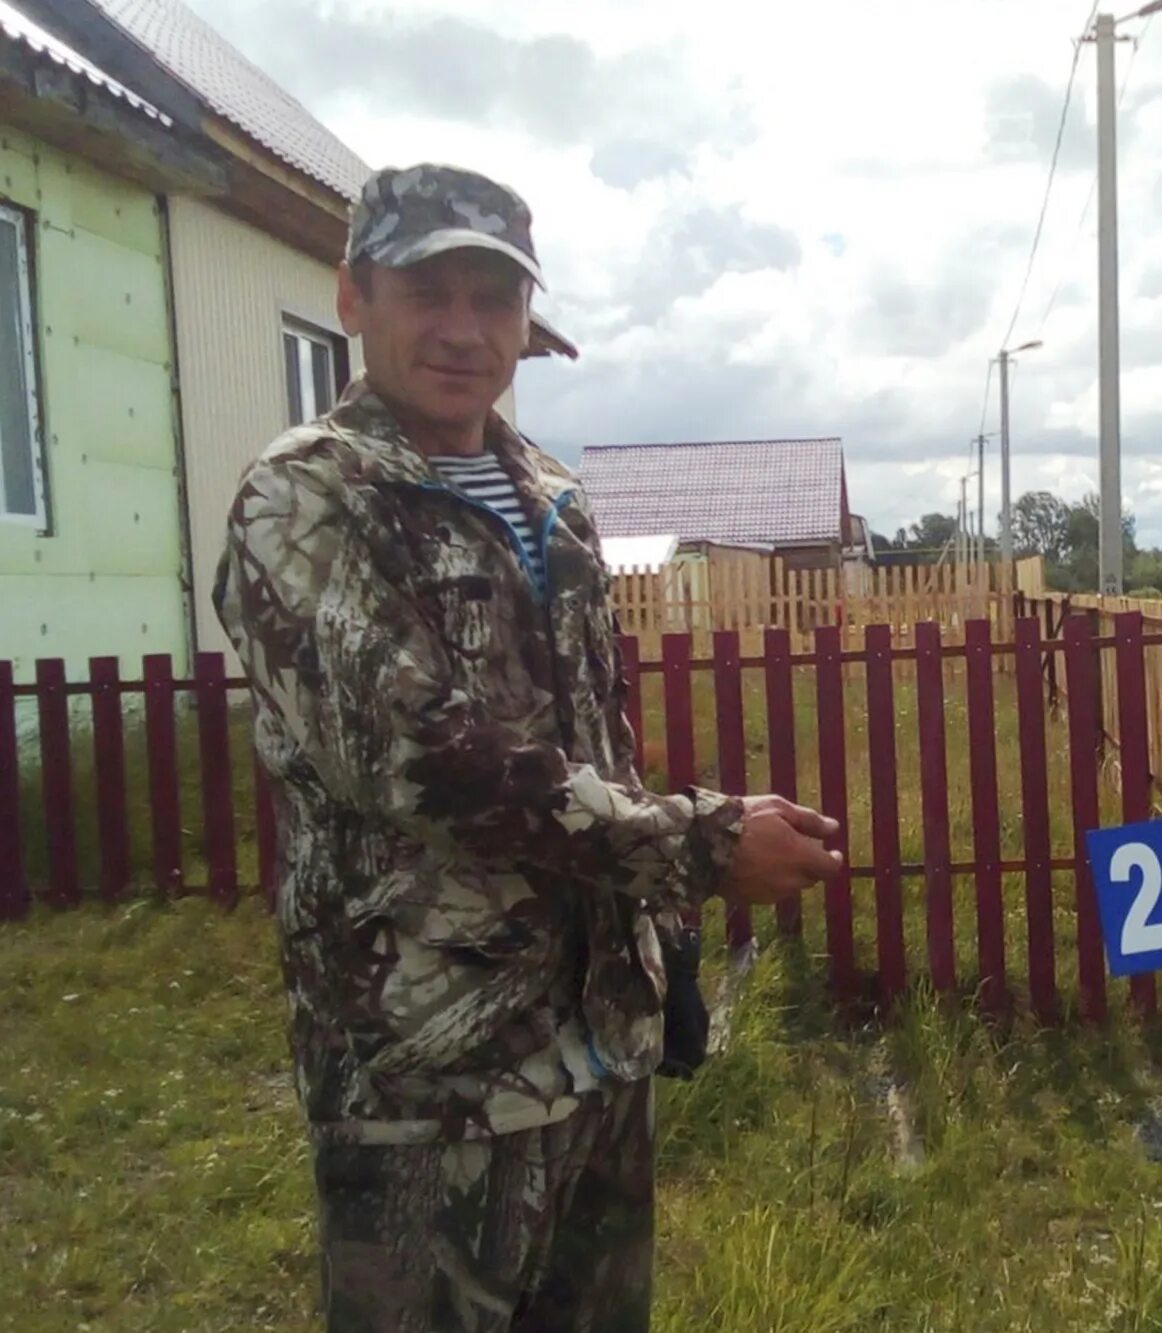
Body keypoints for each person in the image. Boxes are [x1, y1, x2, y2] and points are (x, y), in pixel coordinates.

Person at [213, 163, 843, 1332]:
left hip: (597, 1052)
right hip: (428, 1074)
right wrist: (702, 844)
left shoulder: (550, 492)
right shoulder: (304, 499)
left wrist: (658, 940)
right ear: (354, 299)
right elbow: (429, 766)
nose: (463, 331)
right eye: (427, 291)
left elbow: (590, 741)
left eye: (492, 299)